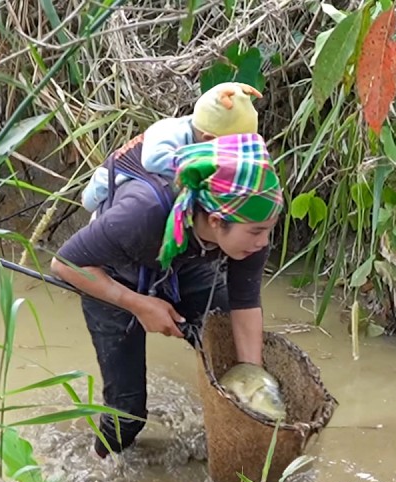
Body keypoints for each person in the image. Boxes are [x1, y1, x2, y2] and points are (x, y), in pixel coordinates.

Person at [52, 132, 284, 458]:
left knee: (229, 353)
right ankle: (100, 464)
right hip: (111, 272)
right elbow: (63, 263)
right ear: (217, 221)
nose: (263, 243)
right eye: (257, 233)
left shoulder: (252, 230)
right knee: (128, 414)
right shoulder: (140, 215)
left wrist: (251, 382)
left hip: (185, 263)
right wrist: (139, 304)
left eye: (268, 231)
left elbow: (245, 303)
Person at [80, 82, 264, 217]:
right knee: (92, 206)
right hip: (113, 177)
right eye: (233, 149)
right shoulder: (169, 132)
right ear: (209, 140)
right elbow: (153, 160)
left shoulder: (201, 129)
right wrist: (199, 171)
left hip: (143, 180)